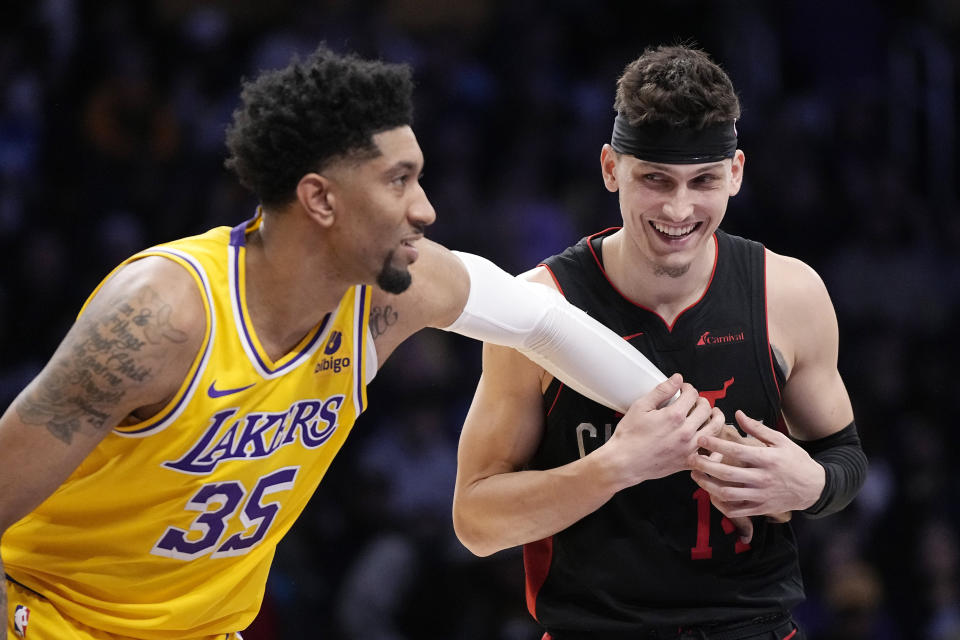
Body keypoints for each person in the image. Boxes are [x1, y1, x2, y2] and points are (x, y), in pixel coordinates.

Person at [0, 45, 705, 640]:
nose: (426, 208)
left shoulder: (395, 291)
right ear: (320, 200)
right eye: (399, 181)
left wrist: (694, 434)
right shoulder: (161, 317)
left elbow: (541, 321)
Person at [452, 44, 868, 640]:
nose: (679, 208)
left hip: (754, 626)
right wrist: (615, 467)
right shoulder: (541, 304)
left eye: (702, 180)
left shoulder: (790, 293)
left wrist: (811, 485)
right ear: (610, 168)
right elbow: (475, 522)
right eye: (654, 179)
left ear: (736, 172)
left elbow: (846, 457)